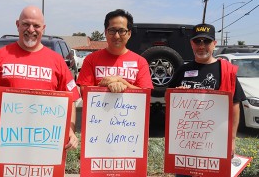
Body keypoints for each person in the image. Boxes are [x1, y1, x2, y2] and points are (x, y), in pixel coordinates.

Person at [0, 5, 80, 177]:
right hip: (4, 145)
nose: (31, 30)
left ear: (43, 28)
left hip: (45, 148)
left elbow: (70, 100)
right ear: (17, 25)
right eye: (26, 24)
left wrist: (70, 130)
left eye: (36, 26)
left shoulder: (57, 61)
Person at [168, 23, 246, 177]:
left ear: (214, 44)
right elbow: (168, 97)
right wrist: (176, 93)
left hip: (214, 141)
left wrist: (232, 140)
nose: (201, 46)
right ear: (192, 44)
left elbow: (235, 106)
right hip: (186, 143)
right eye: (197, 41)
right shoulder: (183, 70)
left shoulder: (226, 71)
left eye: (207, 41)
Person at [76, 9, 153, 93]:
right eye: (112, 30)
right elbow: (84, 93)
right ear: (105, 32)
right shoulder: (91, 59)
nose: (116, 36)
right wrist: (104, 86)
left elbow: (145, 96)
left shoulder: (140, 62)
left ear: (129, 34)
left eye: (122, 31)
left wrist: (122, 82)